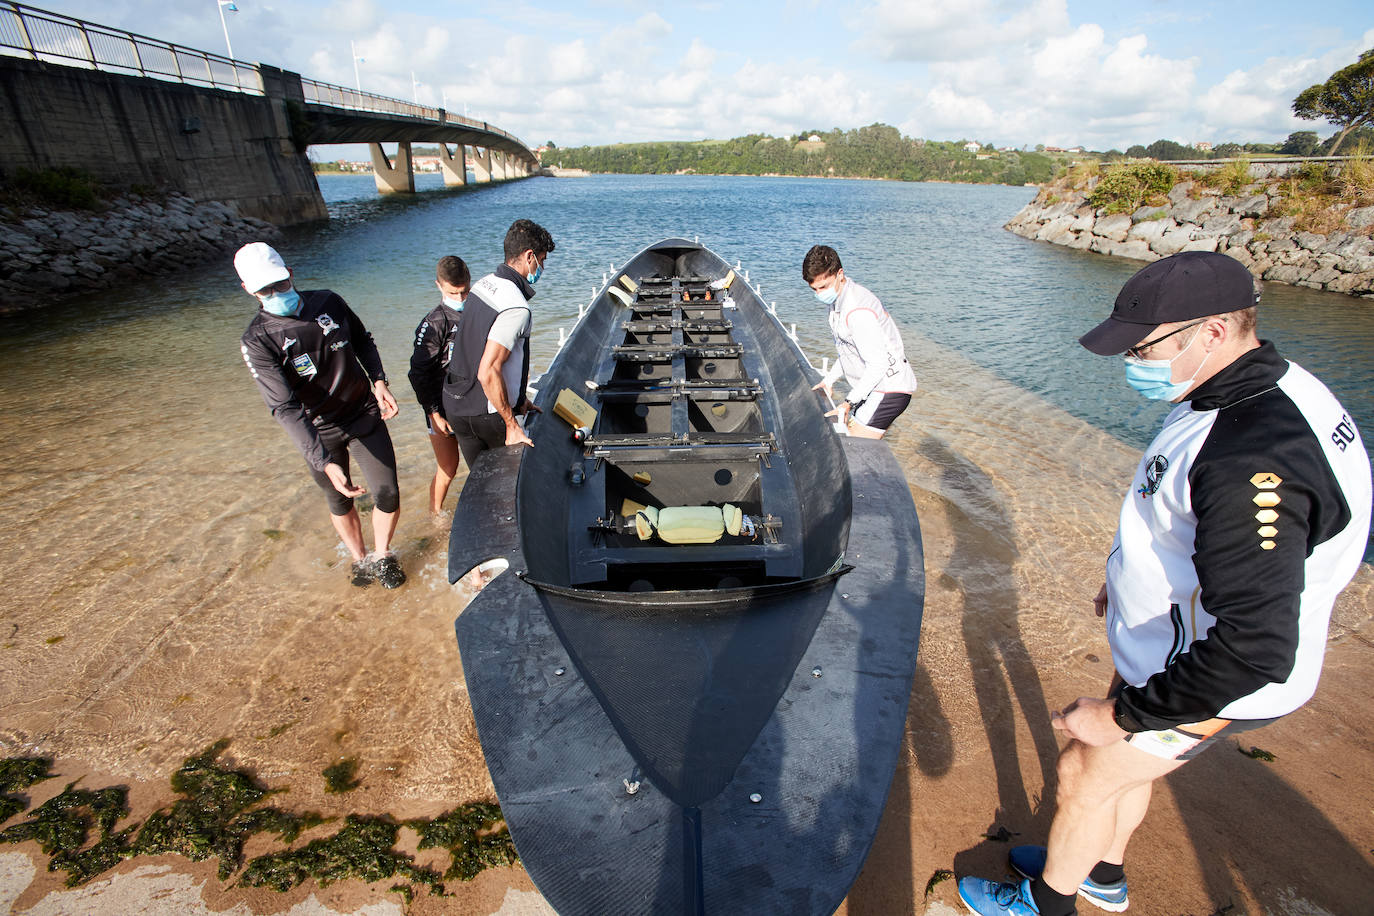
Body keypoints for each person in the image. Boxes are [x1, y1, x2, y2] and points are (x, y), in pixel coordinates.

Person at [957, 251, 1371, 916]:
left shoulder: (1251, 456)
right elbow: (1185, 524)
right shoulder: (1244, 386)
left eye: (1144, 347)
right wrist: (1124, 580)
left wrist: (1121, 715)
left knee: (1082, 773)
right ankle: (1099, 868)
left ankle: (1047, 903)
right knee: (1109, 775)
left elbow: (1254, 646)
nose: (1133, 363)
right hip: (1168, 639)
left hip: (1210, 671)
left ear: (1211, 331)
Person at [235, 242, 407, 589]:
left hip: (362, 413)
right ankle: (360, 559)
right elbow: (284, 407)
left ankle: (383, 554)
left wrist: (379, 381)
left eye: (280, 284)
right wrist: (323, 460)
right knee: (338, 498)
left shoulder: (329, 302)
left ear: (291, 275)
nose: (275, 293)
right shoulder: (258, 340)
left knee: (387, 491)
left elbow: (363, 341)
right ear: (249, 291)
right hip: (318, 431)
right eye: (265, 290)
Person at [442, 219, 554, 464]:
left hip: (456, 405)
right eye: (542, 260)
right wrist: (511, 423)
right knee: (507, 484)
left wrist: (521, 399)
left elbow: (474, 345)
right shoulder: (516, 307)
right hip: (486, 414)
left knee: (481, 483)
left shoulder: (483, 284)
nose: (542, 267)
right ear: (529, 256)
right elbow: (488, 371)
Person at [801, 244, 917, 438]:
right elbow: (848, 349)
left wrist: (849, 402)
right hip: (874, 386)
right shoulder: (838, 299)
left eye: (824, 287)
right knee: (859, 444)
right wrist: (829, 380)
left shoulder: (857, 310)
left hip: (888, 387)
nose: (820, 294)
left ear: (839, 274)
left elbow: (878, 365)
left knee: (853, 444)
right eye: (814, 289)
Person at [408, 255, 470, 517]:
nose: (460, 297)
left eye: (464, 291)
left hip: (469, 399)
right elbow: (418, 373)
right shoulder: (434, 322)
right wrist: (433, 413)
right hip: (441, 404)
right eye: (453, 292)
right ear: (439, 286)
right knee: (448, 468)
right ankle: (435, 514)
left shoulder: (477, 311)